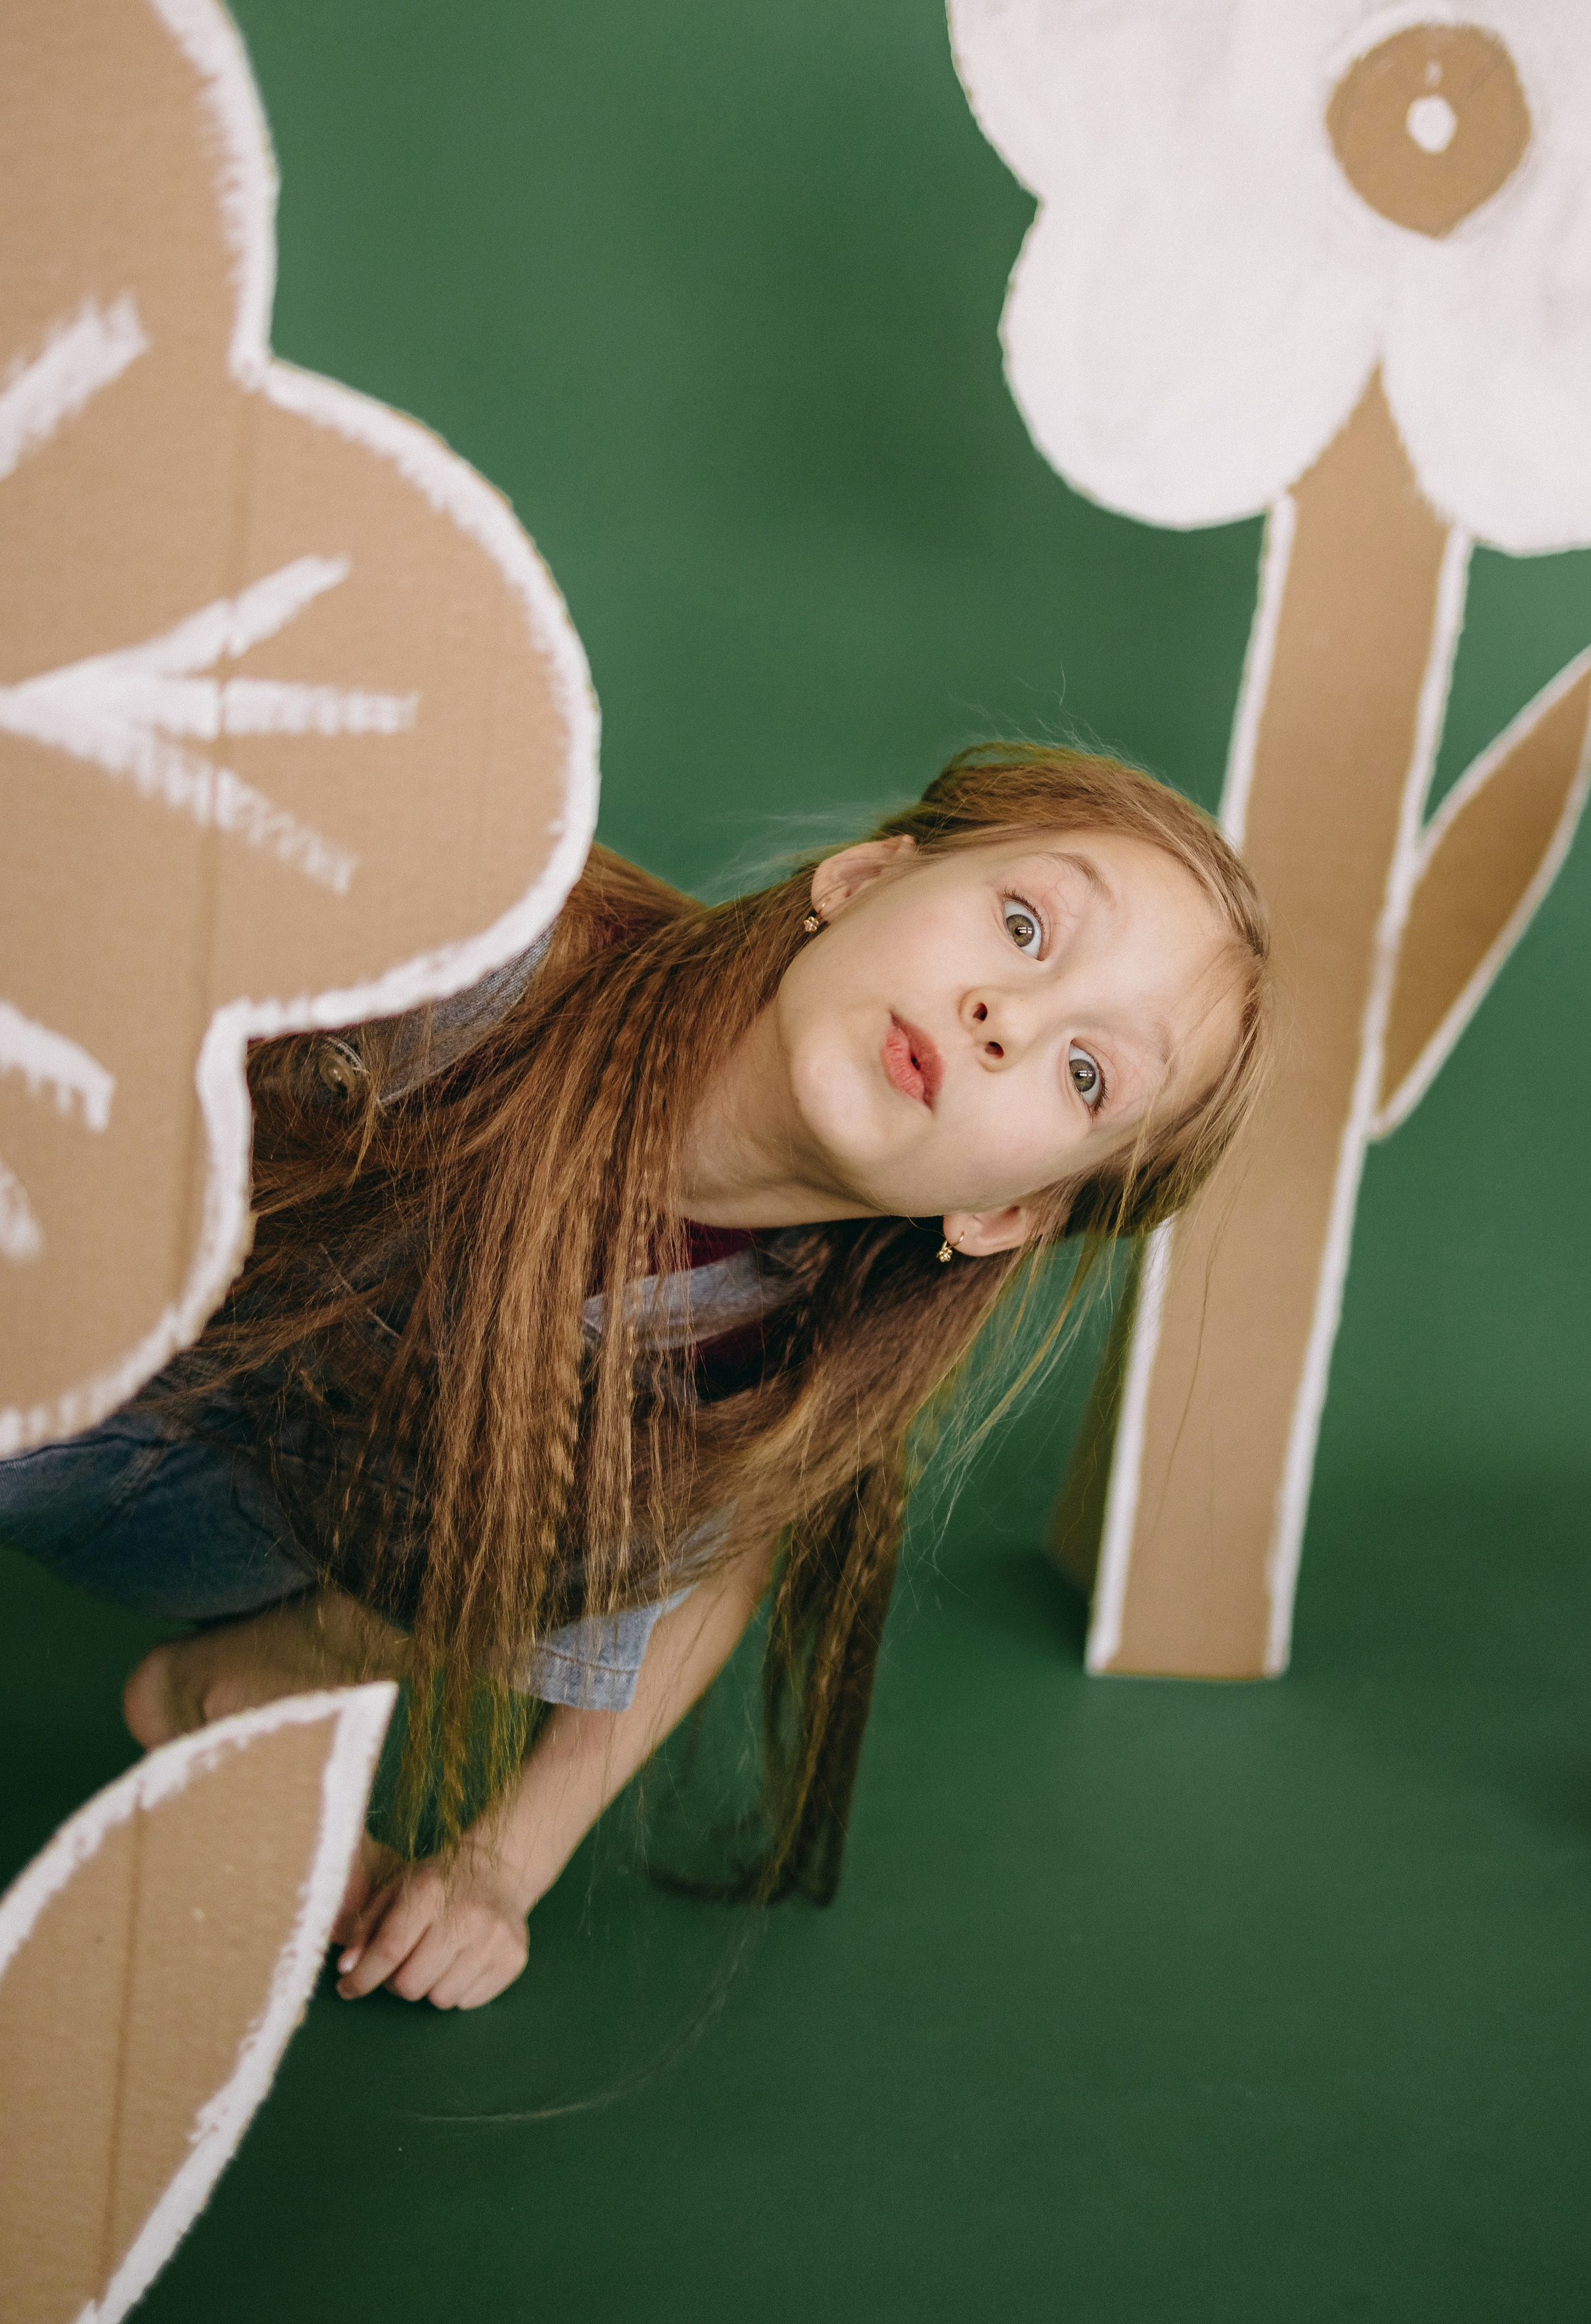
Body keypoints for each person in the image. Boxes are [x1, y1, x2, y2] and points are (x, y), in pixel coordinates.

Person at [0, 741, 1270, 2011]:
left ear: (1005, 1217)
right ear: (865, 877)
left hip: (193, 1519)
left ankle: (247, 1681)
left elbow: (720, 1564)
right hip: (48, 1297)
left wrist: (502, 1868)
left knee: (694, 1472)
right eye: (1025, 924)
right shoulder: (493, 954)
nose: (1010, 1018)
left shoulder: (773, 1352)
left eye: (1087, 1074)